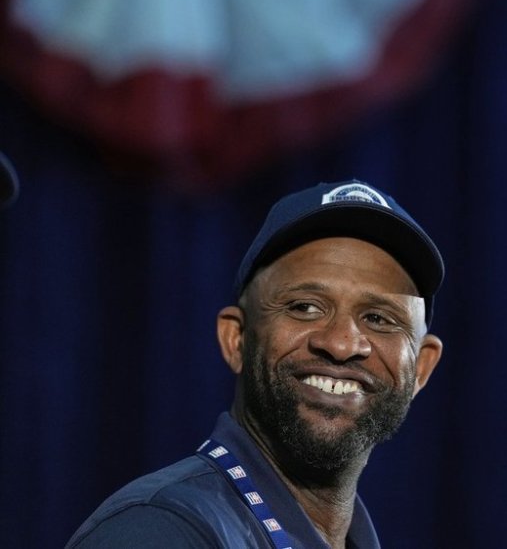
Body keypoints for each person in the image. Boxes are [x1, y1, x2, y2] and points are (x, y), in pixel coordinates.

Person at [67, 180, 445, 548]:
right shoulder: (160, 532)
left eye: (378, 318)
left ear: (421, 368)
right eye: (305, 307)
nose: (342, 344)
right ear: (237, 339)